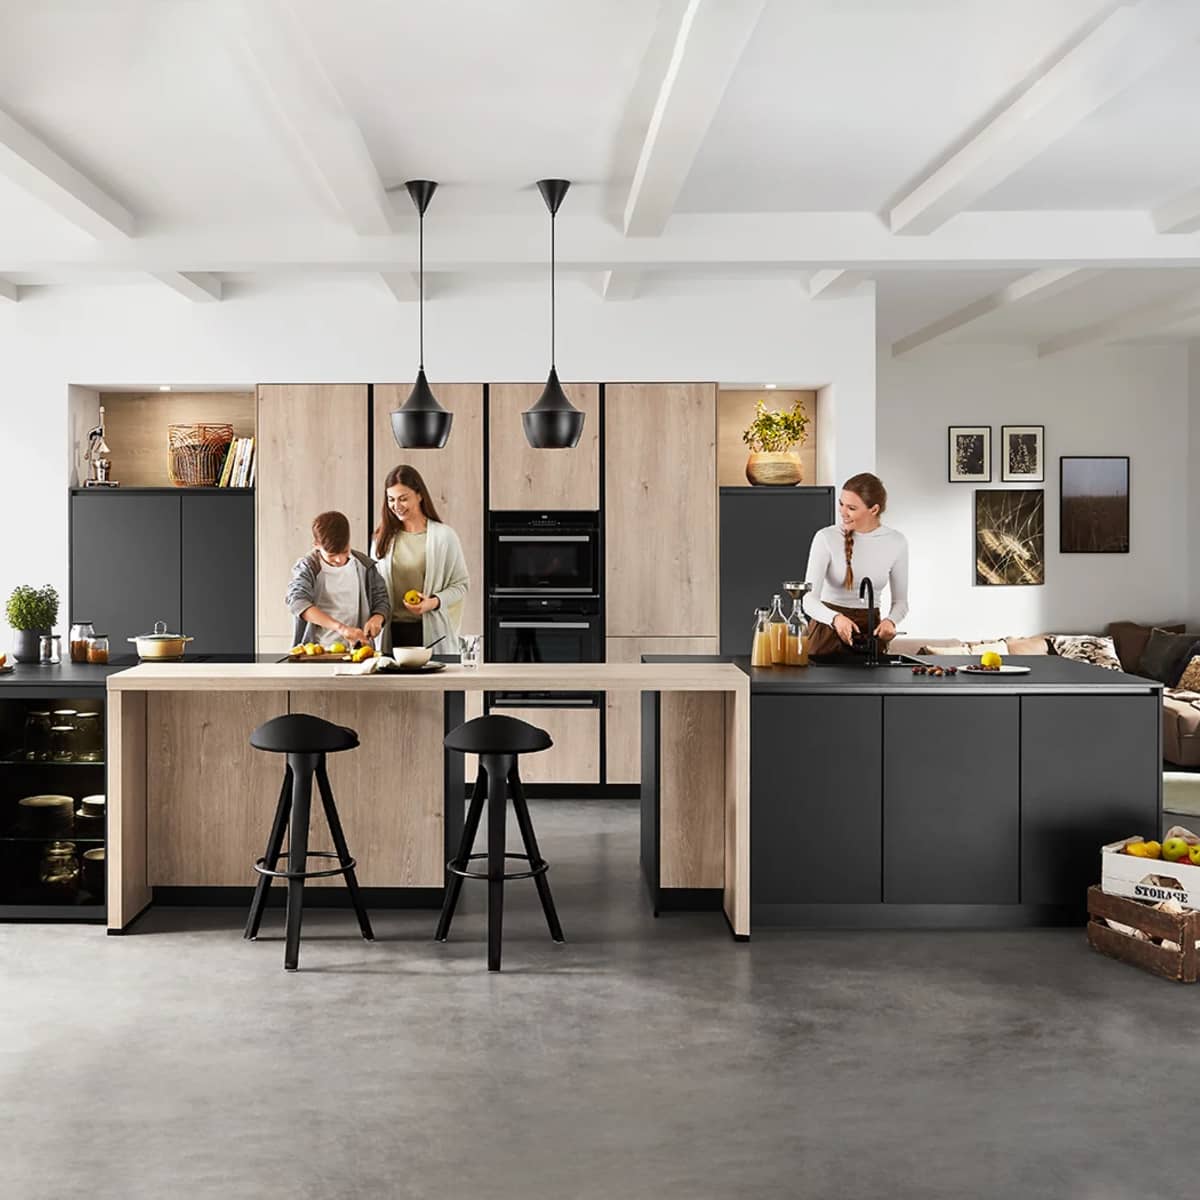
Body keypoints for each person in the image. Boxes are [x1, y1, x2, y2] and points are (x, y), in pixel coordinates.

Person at [803, 472, 909, 659]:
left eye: (851, 507)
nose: (843, 512)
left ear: (874, 509)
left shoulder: (896, 542)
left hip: (871, 634)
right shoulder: (826, 537)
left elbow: (900, 603)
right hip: (826, 635)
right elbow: (808, 600)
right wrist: (835, 619)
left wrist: (891, 622)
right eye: (841, 504)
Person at [372, 464, 469, 653]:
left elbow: (461, 585)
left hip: (432, 635)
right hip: (391, 636)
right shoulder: (381, 538)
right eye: (391, 499)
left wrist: (432, 602)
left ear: (419, 495)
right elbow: (374, 589)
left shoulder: (444, 536)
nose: (396, 506)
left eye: (403, 499)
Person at [286, 511, 390, 649]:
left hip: (358, 651)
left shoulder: (365, 566)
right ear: (316, 544)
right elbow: (297, 602)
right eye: (332, 555)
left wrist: (377, 617)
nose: (339, 559)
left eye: (344, 551)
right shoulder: (308, 567)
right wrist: (341, 628)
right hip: (317, 651)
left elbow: (381, 600)